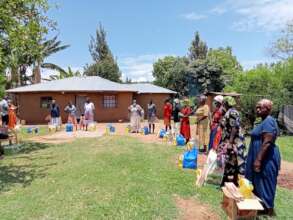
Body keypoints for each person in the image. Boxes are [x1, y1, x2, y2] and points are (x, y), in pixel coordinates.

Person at [245, 99, 281, 216]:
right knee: (258, 181)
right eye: (257, 107)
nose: (257, 109)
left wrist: (258, 160)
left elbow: (267, 142)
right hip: (260, 156)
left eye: (260, 107)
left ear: (268, 109)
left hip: (266, 158)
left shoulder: (269, 121)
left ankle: (267, 209)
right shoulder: (263, 121)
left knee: (265, 181)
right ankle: (259, 207)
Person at [218, 96, 246, 186]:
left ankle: (232, 179)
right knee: (230, 159)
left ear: (226, 103)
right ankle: (229, 179)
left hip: (234, 140)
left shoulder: (232, 112)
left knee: (231, 158)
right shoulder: (229, 112)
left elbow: (234, 127)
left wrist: (230, 142)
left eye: (223, 103)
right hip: (230, 138)